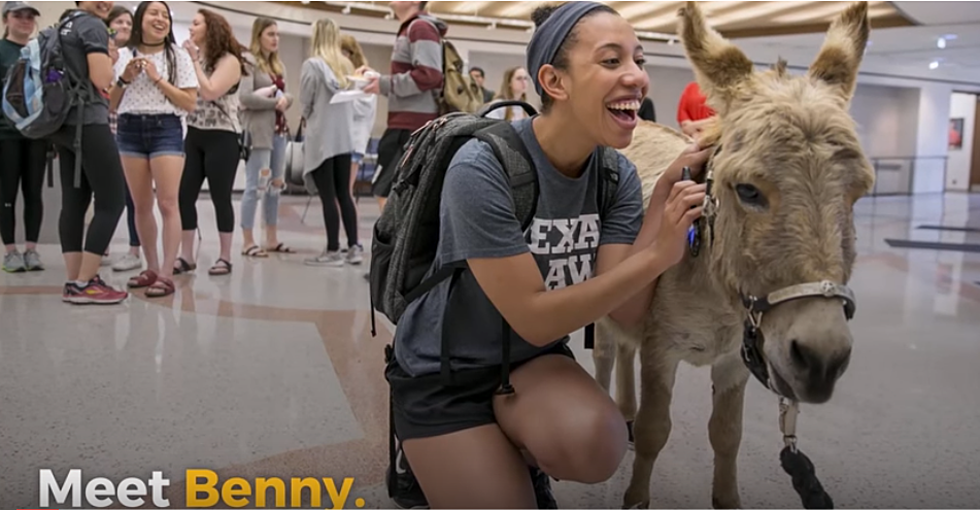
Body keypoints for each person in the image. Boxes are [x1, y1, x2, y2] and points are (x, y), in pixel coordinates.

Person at [382, 2, 711, 508]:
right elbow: (535, 317)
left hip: (526, 363)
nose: (637, 77)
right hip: (442, 373)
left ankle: (516, 445)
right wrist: (658, 255)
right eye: (611, 61)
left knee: (599, 443)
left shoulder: (613, 175)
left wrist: (661, 200)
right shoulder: (483, 165)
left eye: (639, 61)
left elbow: (624, 310)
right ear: (554, 82)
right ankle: (424, 448)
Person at [109, 0, 198, 298]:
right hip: (129, 128)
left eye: (165, 15)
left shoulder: (178, 57)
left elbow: (189, 102)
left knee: (168, 203)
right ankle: (151, 266)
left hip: (166, 129)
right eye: (153, 14)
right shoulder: (122, 55)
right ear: (139, 19)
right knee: (140, 204)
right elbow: (111, 102)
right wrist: (125, 78)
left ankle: (166, 273)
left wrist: (158, 78)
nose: (160, 19)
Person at [51, 1, 129, 304]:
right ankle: (85, 283)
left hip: (64, 124)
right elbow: (101, 79)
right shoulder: (93, 25)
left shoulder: (63, 25)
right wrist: (110, 60)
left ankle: (75, 280)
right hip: (90, 121)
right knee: (112, 200)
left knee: (74, 202)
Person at [176, 8, 246, 277]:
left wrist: (193, 60)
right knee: (185, 196)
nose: (191, 28)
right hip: (194, 133)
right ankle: (186, 255)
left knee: (220, 197)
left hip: (223, 136)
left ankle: (225, 256)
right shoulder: (193, 58)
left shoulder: (229, 61)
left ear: (211, 28)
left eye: (196, 23)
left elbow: (210, 90)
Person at [360, 1, 444, 212]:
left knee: (389, 192)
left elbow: (430, 75)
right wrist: (381, 81)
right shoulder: (413, 28)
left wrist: (384, 83)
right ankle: (398, 243)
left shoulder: (420, 27)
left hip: (412, 128)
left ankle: (399, 244)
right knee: (391, 193)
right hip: (407, 125)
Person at [299, 17, 361, 267]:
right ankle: (354, 247)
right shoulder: (346, 65)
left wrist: (305, 115)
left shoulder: (312, 65)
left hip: (321, 138)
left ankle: (333, 249)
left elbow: (306, 102)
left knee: (327, 196)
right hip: (344, 138)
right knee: (344, 193)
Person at [239, 17, 294, 258]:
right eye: (270, 34)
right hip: (259, 134)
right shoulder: (249, 62)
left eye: (277, 34)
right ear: (259, 35)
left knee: (275, 186)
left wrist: (287, 100)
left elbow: (287, 93)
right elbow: (245, 97)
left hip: (279, 132)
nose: (275, 39)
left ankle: (271, 238)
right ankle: (248, 240)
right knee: (255, 186)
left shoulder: (278, 65)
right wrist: (275, 102)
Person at [0, 1, 47, 273]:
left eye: (30, 17)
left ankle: (31, 249)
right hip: (6, 134)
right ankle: (10, 251)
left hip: (37, 133)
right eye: (19, 16)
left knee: (34, 192)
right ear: (7, 19)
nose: (25, 21)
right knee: (7, 192)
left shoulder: (40, 51)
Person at [103, 4, 143, 273]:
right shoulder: (101, 55)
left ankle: (134, 248)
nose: (126, 27)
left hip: (129, 130)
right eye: (120, 22)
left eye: (130, 23)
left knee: (132, 194)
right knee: (103, 190)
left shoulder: (137, 57)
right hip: (103, 128)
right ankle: (101, 242)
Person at [341, 34, 374, 224]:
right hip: (344, 139)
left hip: (354, 140)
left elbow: (363, 108)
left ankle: (352, 238)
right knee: (343, 192)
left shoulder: (365, 76)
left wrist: (341, 97)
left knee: (346, 191)